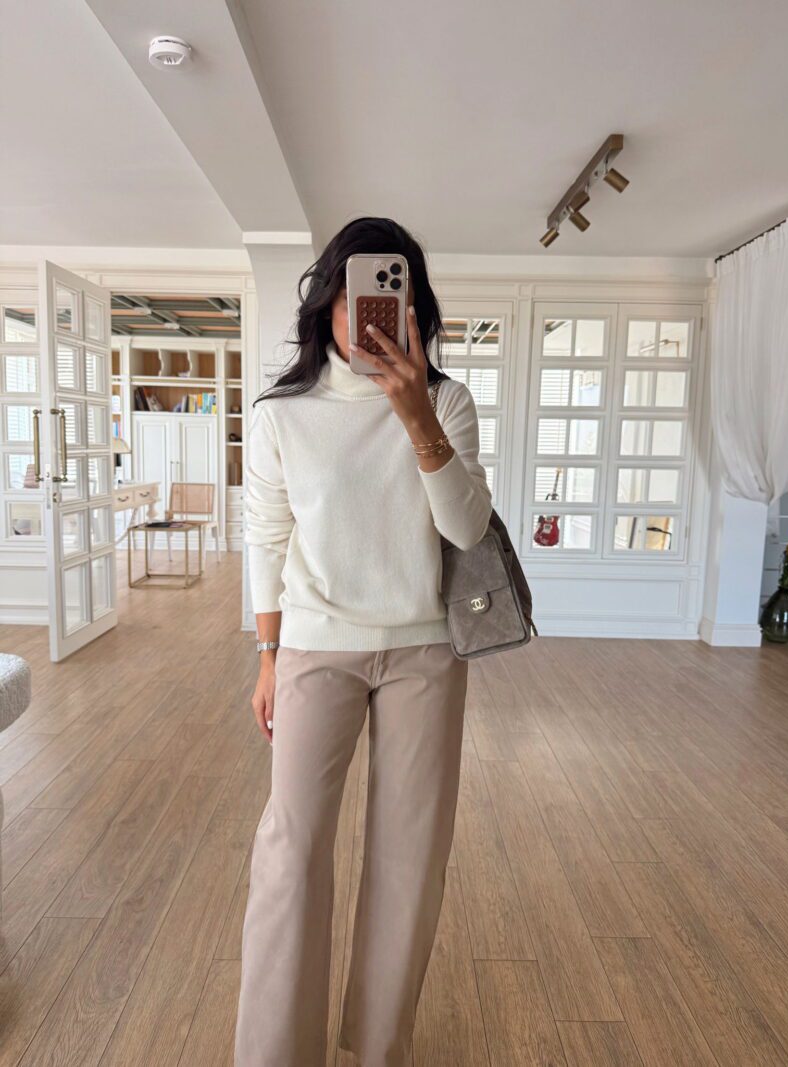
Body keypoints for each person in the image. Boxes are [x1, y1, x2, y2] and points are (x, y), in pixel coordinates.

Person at [234, 216, 492, 1067]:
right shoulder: (283, 415)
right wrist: (268, 657)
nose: (371, 311)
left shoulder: (446, 401)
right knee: (291, 851)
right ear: (329, 301)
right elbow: (266, 537)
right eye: (355, 292)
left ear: (413, 306)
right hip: (315, 647)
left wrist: (414, 413)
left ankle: (380, 1049)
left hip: (426, 653)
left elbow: (465, 528)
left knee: (411, 859)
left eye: (393, 291)